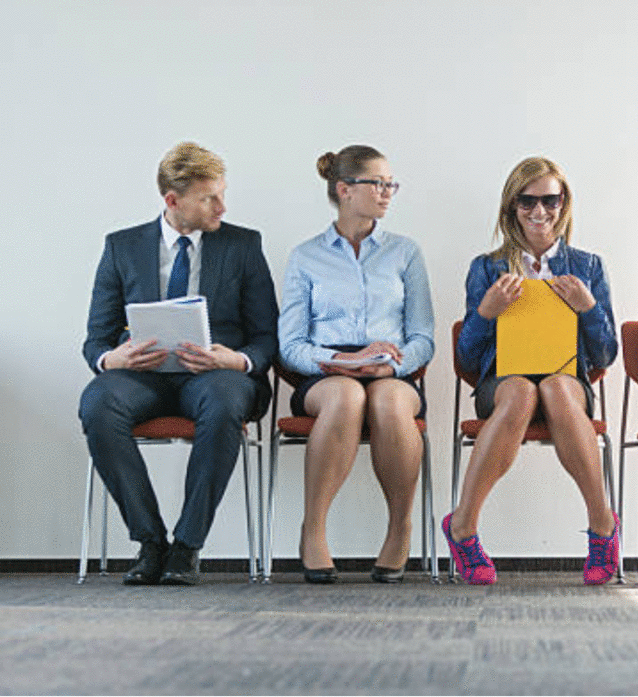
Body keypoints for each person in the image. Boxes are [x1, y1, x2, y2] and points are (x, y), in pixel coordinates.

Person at [79, 141, 278, 586]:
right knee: (97, 405)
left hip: (214, 377)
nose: (221, 206)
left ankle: (187, 546)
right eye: (210, 198)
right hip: (143, 377)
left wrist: (238, 359)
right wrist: (112, 357)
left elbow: (267, 335)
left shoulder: (243, 245)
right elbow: (96, 336)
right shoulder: (122, 246)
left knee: (225, 401)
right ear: (173, 200)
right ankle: (150, 542)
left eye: (222, 193)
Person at [444, 156, 619, 586]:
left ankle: (602, 526)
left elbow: (605, 355)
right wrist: (486, 313)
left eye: (550, 201)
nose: (540, 212)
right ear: (512, 208)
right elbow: (467, 358)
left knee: (558, 389)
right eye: (527, 202)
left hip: (566, 380)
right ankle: (463, 526)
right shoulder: (487, 268)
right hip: (505, 382)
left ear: (564, 204)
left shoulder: (588, 267)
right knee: (522, 392)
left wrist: (588, 308)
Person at [279, 145, 434, 584]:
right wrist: (341, 360)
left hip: (391, 369)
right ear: (344, 190)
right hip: (324, 371)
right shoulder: (306, 256)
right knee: (346, 396)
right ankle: (314, 528)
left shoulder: (405, 253)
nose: (388, 192)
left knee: (388, 404)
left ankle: (400, 527)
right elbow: (290, 344)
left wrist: (391, 367)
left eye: (391, 184)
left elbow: (423, 336)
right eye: (378, 183)